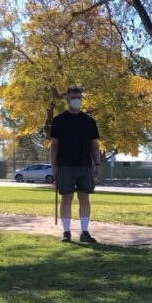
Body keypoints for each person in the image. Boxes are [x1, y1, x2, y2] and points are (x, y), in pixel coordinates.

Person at [50, 86, 101, 243]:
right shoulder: (58, 121)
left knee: (84, 198)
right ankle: (66, 232)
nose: (76, 100)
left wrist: (97, 164)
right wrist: (54, 168)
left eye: (79, 97)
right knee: (66, 198)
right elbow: (54, 146)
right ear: (67, 98)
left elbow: (95, 145)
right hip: (65, 165)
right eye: (73, 97)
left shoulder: (89, 122)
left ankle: (84, 232)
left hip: (85, 165)